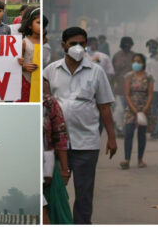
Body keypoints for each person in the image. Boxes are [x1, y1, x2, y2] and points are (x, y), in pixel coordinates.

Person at [44, 27, 117, 224]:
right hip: (56, 145)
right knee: (53, 191)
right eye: (73, 44)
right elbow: (44, 104)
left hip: (86, 142)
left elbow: (104, 107)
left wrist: (111, 137)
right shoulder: (51, 70)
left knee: (84, 194)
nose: (78, 48)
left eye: (81, 44)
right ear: (63, 46)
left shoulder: (96, 71)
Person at [43, 79, 73, 224]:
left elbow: (60, 137)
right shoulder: (14, 102)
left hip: (48, 170)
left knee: (57, 213)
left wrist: (65, 170)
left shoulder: (49, 103)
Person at [120, 53, 154, 169]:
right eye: (134, 61)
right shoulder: (128, 76)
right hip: (131, 109)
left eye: (139, 61)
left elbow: (150, 94)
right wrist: (134, 110)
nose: (136, 63)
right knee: (128, 133)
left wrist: (144, 110)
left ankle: (140, 159)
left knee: (141, 135)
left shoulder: (148, 77)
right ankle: (127, 159)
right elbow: (127, 94)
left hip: (144, 109)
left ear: (143, 63)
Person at [112, 36, 136, 137]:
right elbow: (112, 72)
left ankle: (127, 129)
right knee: (120, 110)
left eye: (129, 45)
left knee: (130, 110)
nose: (127, 47)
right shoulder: (116, 56)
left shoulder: (134, 56)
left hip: (132, 89)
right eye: (125, 45)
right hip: (120, 88)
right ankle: (119, 128)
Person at [16, 6, 40, 102]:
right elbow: (16, 64)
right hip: (26, 81)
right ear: (30, 25)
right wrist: (24, 67)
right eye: (38, 23)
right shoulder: (24, 42)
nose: (41, 26)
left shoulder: (46, 44)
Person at [145, 39, 158, 139]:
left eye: (153, 46)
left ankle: (157, 130)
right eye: (149, 46)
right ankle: (153, 129)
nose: (151, 48)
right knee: (151, 110)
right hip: (148, 87)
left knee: (156, 109)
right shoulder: (147, 57)